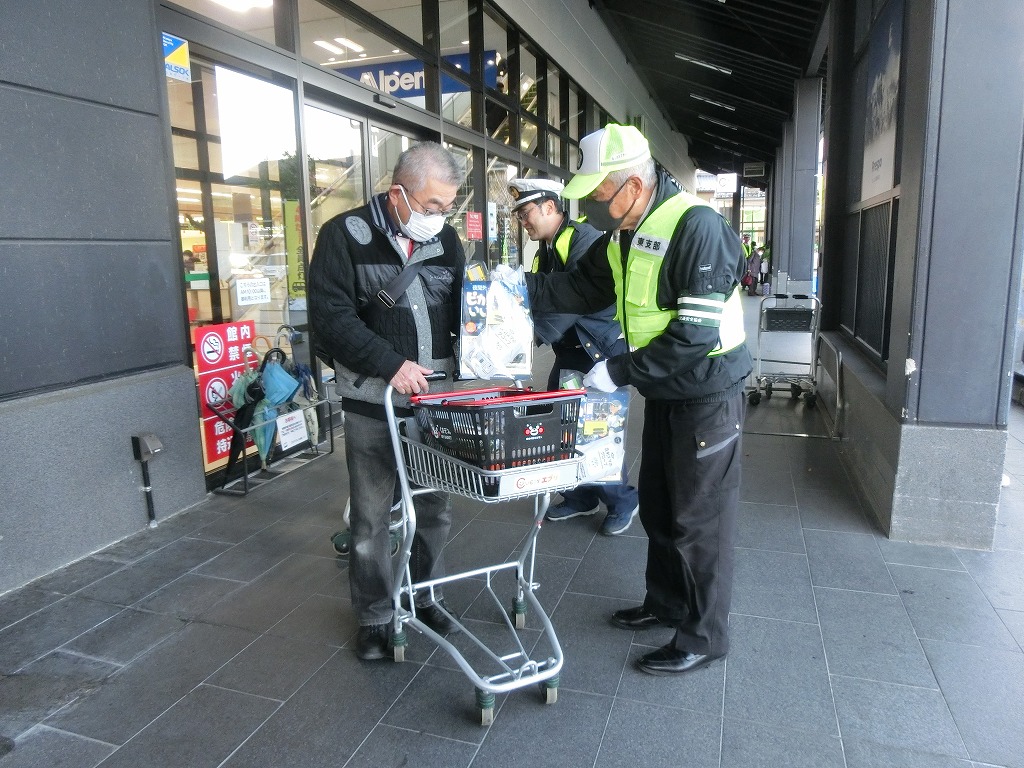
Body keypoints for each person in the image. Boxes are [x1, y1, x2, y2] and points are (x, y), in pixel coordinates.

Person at [524, 124, 752, 676]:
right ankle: (666, 604)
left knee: (699, 520)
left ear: (631, 186)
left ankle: (704, 636)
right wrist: (511, 287)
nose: (591, 208)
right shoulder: (624, 234)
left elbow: (694, 335)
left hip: (707, 395)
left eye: (599, 195)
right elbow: (580, 288)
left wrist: (618, 370)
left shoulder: (697, 227)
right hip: (667, 392)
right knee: (660, 504)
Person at [308, 142, 465, 661]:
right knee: (372, 515)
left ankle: (425, 594)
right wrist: (390, 364)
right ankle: (375, 616)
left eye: (448, 207)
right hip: (371, 400)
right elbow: (331, 318)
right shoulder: (344, 235)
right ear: (398, 193)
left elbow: (463, 310)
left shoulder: (447, 241)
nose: (440, 217)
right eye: (432, 205)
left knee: (434, 508)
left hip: (436, 403)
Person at [508, 177, 640, 535]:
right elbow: (540, 299)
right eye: (519, 216)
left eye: (525, 213)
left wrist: (527, 339)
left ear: (550, 207)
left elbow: (572, 301)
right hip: (571, 352)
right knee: (563, 426)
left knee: (598, 430)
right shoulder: (546, 250)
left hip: (597, 351)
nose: (523, 221)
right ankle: (580, 497)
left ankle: (623, 501)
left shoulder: (583, 239)